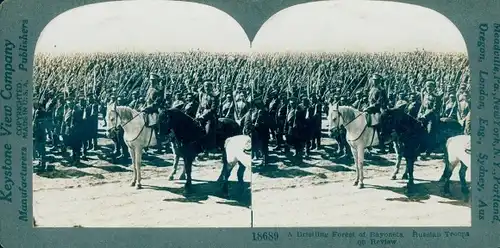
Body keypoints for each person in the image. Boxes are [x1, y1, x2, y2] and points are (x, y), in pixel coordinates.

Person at [364, 73, 389, 153]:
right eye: (373, 80)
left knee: (379, 126)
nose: (374, 82)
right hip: (371, 109)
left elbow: (379, 102)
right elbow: (370, 100)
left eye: (376, 80)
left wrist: (369, 107)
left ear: (379, 81)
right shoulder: (372, 89)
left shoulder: (381, 90)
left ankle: (382, 147)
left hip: (378, 110)